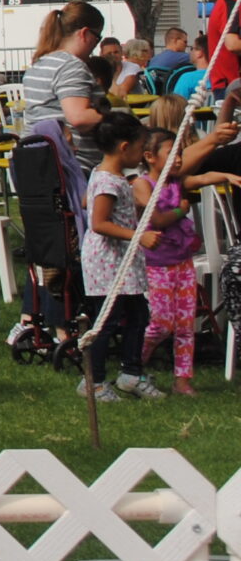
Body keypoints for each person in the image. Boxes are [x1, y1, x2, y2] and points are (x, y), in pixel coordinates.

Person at [80, 111, 166, 402]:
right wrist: (138, 235)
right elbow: (99, 223)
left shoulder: (112, 177)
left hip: (122, 262)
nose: (144, 154)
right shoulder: (109, 181)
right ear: (124, 147)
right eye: (142, 147)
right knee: (107, 321)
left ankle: (131, 373)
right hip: (107, 263)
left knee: (139, 314)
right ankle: (94, 382)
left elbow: (88, 203)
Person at [134, 127, 227, 397]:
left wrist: (229, 175)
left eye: (179, 154)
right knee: (162, 324)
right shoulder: (142, 184)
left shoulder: (177, 181)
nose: (177, 159)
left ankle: (182, 380)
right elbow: (158, 219)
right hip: (156, 265)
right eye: (171, 154)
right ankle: (136, 361)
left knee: (186, 325)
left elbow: (205, 177)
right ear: (150, 157)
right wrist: (181, 210)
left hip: (183, 263)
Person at [19, 2, 110, 171]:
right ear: (85, 33)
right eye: (97, 38)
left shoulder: (40, 64)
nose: (95, 45)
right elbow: (79, 117)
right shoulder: (72, 66)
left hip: (36, 163)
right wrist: (116, 117)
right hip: (73, 168)